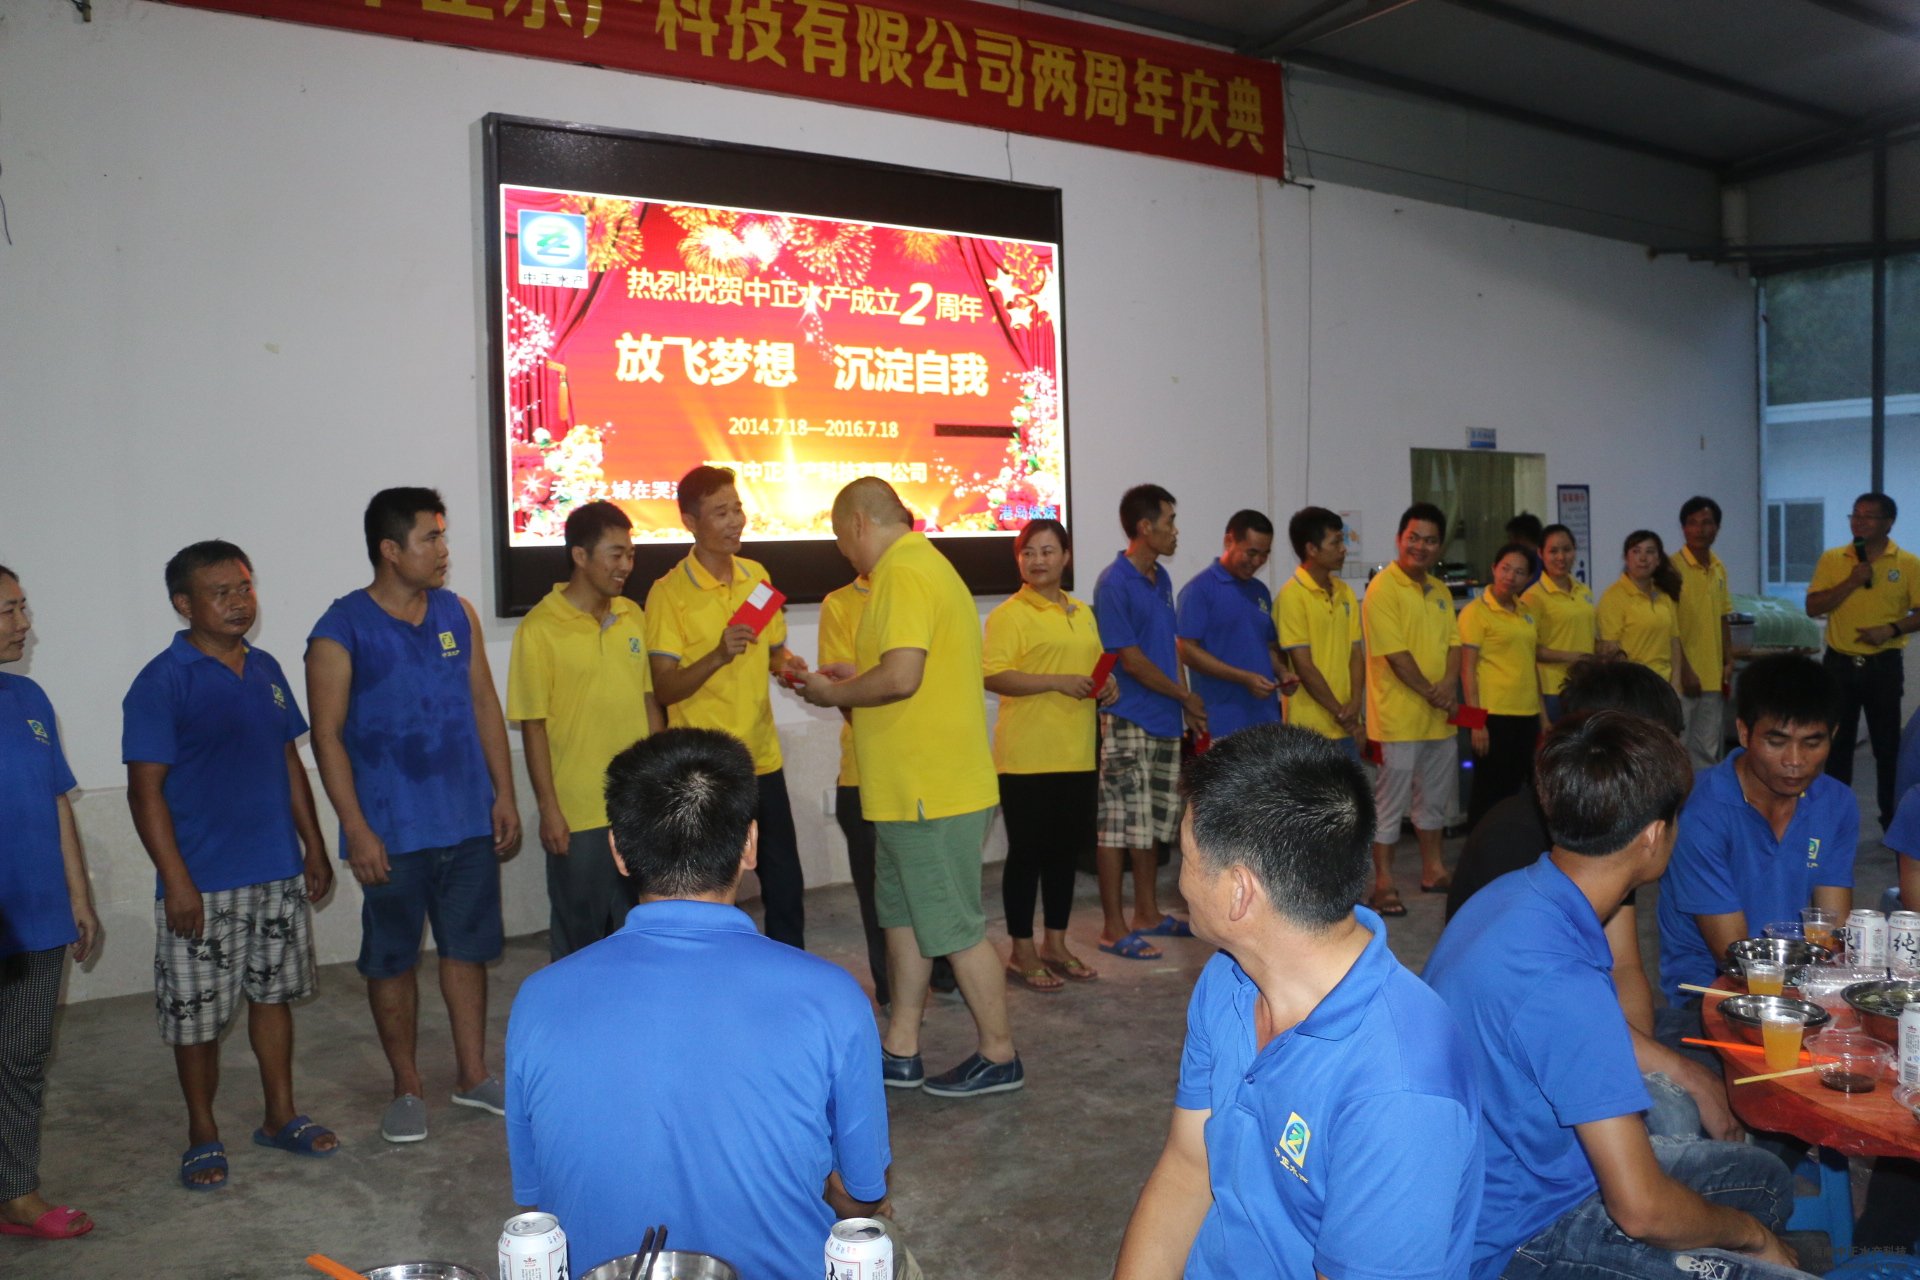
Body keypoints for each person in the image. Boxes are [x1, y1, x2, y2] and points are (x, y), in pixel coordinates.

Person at [505, 729, 893, 1278]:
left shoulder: (539, 999)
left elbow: (536, 1202)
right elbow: (862, 1197)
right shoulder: (832, 996)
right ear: (750, 844)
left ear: (618, 851)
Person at [1426, 710, 1800, 1280]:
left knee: (1764, 1181)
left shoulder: (1514, 897)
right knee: (1761, 1243)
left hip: (1512, 1170)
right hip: (1520, 1234)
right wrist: (1753, 1238)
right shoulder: (1561, 981)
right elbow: (1640, 1209)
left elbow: (1564, 1030)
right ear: (1652, 835)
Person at [1114, 724, 1482, 1280]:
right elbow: (1188, 1168)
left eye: (1185, 856)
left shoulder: (1401, 1089)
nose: (1180, 883)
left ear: (1239, 891)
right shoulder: (1229, 977)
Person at [1446, 658, 1744, 1144]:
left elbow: (1624, 968)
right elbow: (1553, 1011)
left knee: (1733, 1054)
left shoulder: (1609, 841)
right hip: (1530, 1075)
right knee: (1708, 1123)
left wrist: (1644, 1070)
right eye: (1660, 746)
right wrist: (1668, 1077)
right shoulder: (1525, 843)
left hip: (1590, 1023)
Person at [306, 487, 522, 1144]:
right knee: (392, 960)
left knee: (467, 952)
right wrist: (356, 828)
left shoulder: (458, 613)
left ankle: (473, 1074)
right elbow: (326, 736)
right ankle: (406, 1087)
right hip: (390, 831)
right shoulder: (340, 630)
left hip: (466, 820)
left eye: (443, 536)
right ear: (390, 550)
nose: (444, 550)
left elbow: (484, 705)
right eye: (431, 538)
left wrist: (504, 794)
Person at [124, 541, 337, 1191]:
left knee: (275, 998)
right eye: (221, 593)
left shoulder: (266, 668)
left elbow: (287, 759)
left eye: (245, 587)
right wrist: (177, 880)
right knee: (195, 1021)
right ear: (184, 605)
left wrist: (313, 844)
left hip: (275, 870)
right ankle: (202, 1134)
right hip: (203, 883)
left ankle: (280, 1116)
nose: (240, 602)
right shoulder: (162, 681)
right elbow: (144, 792)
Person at [798, 478, 1021, 1097]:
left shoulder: (902, 572)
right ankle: (900, 1047)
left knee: (954, 928)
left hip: (930, 790)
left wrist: (834, 692)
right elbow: (909, 668)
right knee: (903, 921)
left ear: (859, 524)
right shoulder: (920, 567)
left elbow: (901, 679)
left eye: (841, 539)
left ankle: (999, 1053)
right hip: (906, 790)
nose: (844, 552)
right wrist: (854, 676)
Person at [644, 466, 810, 948]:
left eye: (737, 508)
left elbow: (774, 651)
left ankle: (788, 966)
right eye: (721, 512)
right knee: (710, 888)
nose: (735, 520)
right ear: (690, 522)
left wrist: (790, 666)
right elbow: (664, 687)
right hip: (706, 768)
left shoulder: (757, 576)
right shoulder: (668, 593)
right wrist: (717, 654)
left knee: (784, 879)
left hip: (761, 757)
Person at [1655, 654, 1854, 1036]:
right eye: (1776, 742)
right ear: (1744, 733)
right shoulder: (1700, 812)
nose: (1795, 761)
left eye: (1812, 743)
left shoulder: (1836, 803)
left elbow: (1832, 930)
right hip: (1710, 999)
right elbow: (1735, 958)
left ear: (1834, 735)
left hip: (1802, 992)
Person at [507, 501, 664, 961]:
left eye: (630, 555)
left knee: (640, 935)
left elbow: (648, 703)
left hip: (635, 807)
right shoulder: (539, 628)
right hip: (579, 816)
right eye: (615, 554)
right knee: (581, 943)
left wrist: (660, 787)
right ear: (580, 556)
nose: (626, 566)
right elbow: (533, 726)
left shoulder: (632, 616)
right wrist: (549, 810)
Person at [0, 565, 98, 1240]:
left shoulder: (29, 699)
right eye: (9, 611)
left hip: (37, 917)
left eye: (23, 607)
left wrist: (79, 896)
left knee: (23, 1054)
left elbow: (56, 800)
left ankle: (16, 1193)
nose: (24, 624)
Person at [983, 519, 1114, 992]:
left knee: (1063, 855)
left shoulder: (1081, 612)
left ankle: (1055, 944)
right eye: (1028, 552)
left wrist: (1107, 685)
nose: (1037, 560)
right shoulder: (1009, 615)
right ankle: (1021, 952)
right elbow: (993, 675)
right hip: (1027, 757)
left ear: (1066, 557)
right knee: (1027, 856)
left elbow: (1091, 668)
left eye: (1047, 551)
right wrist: (1056, 682)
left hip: (1077, 752)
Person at [1091, 484, 1202, 960]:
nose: (1175, 531)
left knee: (1152, 825)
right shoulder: (1113, 583)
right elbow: (1131, 660)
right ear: (1145, 527)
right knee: (1118, 827)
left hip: (1163, 720)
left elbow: (1170, 648)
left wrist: (1184, 703)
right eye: (1169, 521)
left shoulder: (1162, 578)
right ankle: (1112, 928)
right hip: (1128, 720)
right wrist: (1183, 695)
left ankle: (1147, 914)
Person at [1362, 502, 1461, 916]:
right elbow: (1396, 656)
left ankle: (1433, 870)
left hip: (1439, 720)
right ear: (1399, 539)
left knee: (1433, 801)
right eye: (1414, 538)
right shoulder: (1382, 589)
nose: (1421, 547)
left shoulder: (1440, 590)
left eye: (1430, 540)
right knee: (1389, 806)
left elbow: (1454, 645)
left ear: (1440, 547)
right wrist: (1433, 692)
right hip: (1397, 719)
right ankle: (1383, 883)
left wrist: (1448, 686)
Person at [1805, 492, 1920, 832]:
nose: (1858, 521)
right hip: (1839, 665)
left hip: (1883, 665)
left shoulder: (1908, 563)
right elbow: (1813, 607)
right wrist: (1852, 581)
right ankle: (1834, 821)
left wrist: (1890, 629)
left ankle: (1893, 822)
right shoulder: (1833, 559)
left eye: (1868, 516)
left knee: (1887, 748)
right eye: (1855, 515)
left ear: (1888, 523)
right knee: (1836, 747)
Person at [1458, 543, 1548, 831]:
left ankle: (1509, 846)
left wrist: (1544, 718)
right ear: (1494, 568)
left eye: (1519, 572)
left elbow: (1530, 665)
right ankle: (1480, 847)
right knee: (1489, 791)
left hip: (1527, 715)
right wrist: (1476, 723)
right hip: (1492, 716)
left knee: (1518, 789)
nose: (1511, 576)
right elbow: (1467, 670)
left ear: (1529, 578)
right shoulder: (1475, 612)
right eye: (1506, 568)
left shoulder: (1527, 613)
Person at [1175, 509, 1287, 741]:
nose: (1257, 561)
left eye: (1264, 554)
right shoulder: (1199, 590)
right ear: (1229, 541)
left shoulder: (1260, 591)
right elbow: (1186, 650)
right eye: (1251, 553)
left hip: (1266, 721)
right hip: (1221, 724)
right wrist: (1244, 678)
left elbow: (1265, 647)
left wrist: (1283, 673)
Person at [1277, 506, 1363, 755]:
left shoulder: (1346, 593)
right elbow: (1303, 665)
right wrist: (1340, 713)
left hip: (1347, 724)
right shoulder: (1292, 596)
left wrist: (1355, 703)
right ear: (1311, 549)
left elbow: (1356, 653)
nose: (1343, 549)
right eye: (1335, 542)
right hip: (1309, 731)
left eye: (1342, 541)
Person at [1675, 497, 1735, 770]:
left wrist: (1728, 659)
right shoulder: (1671, 569)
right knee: (1678, 748)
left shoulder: (1719, 567)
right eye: (1693, 523)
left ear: (1717, 528)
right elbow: (1669, 626)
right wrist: (1685, 669)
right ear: (1683, 528)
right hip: (1681, 678)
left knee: (1707, 752)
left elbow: (1723, 616)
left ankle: (1703, 798)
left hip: (1713, 677)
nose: (1700, 529)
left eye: (1707, 523)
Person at [1520, 523, 1595, 722]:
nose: (1561, 557)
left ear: (1575, 551)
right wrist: (1573, 657)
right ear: (1541, 554)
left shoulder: (1584, 591)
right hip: (1553, 689)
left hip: (1586, 685)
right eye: (1553, 551)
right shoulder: (1532, 597)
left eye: (1567, 549)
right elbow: (1530, 649)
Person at [1597, 530, 1686, 692]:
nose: (1643, 558)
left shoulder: (1664, 595)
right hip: (1632, 687)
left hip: (1664, 685)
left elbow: (1674, 641)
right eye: (1636, 551)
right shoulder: (1613, 597)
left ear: (1658, 560)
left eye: (1650, 552)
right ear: (1626, 558)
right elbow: (1610, 650)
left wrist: (1676, 683)